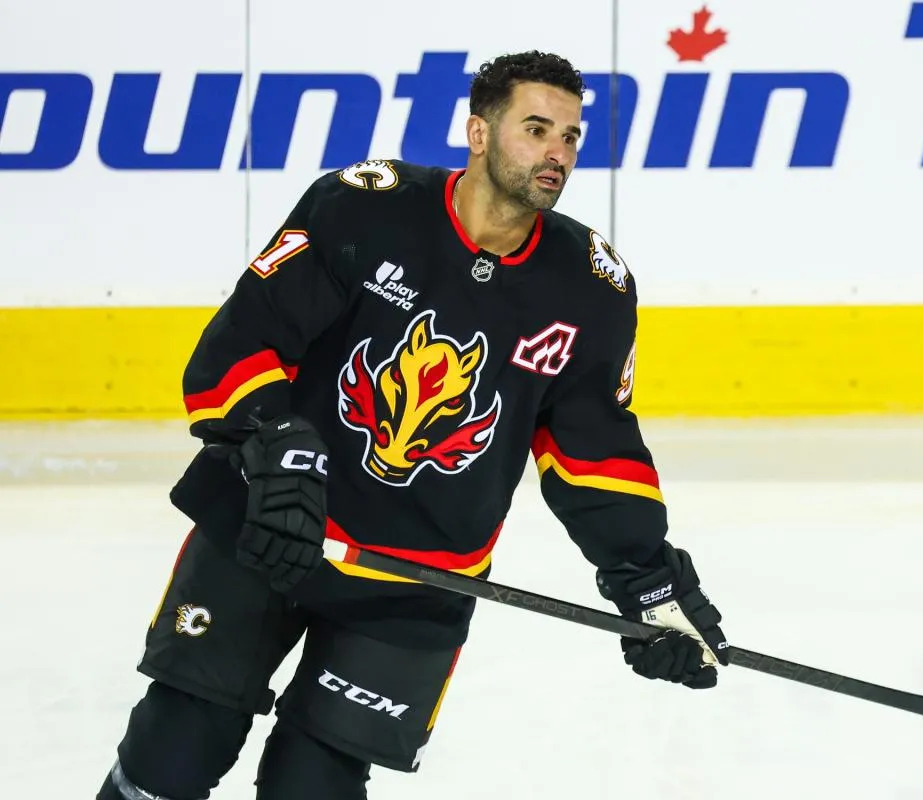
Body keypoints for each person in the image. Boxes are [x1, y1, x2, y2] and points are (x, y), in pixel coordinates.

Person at [97, 50, 729, 800]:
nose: (557, 153)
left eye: (570, 136)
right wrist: (274, 445)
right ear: (478, 131)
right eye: (535, 129)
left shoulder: (591, 288)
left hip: (415, 581)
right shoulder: (364, 208)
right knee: (175, 748)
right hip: (269, 529)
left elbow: (592, 453)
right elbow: (246, 340)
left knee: (315, 786)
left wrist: (649, 584)